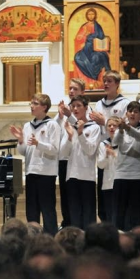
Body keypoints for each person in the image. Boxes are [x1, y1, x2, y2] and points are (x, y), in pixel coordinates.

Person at [10, 94, 60, 235]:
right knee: (31, 209)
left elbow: (55, 150)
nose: (31, 106)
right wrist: (20, 141)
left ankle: (51, 237)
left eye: (35, 103)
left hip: (46, 172)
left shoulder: (52, 125)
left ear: (44, 107)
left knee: (47, 208)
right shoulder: (28, 126)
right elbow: (24, 151)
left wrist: (39, 144)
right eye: (31, 103)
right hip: (31, 171)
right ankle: (32, 236)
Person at [90, 71, 129, 222]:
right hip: (103, 147)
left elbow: (124, 125)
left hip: (119, 146)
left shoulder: (124, 103)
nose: (106, 84)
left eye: (110, 81)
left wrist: (104, 121)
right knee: (104, 184)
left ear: (117, 84)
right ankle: (105, 218)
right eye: (104, 81)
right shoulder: (99, 103)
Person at [112, 101, 140, 231]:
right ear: (126, 113)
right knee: (119, 213)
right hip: (121, 175)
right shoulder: (122, 128)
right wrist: (122, 129)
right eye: (130, 111)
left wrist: (127, 128)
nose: (132, 114)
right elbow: (115, 142)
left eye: (136, 112)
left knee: (136, 215)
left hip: (138, 176)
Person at [64, 95, 100, 230]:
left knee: (88, 214)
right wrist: (69, 137)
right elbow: (63, 153)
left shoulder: (94, 128)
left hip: (87, 176)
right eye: (73, 106)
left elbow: (90, 150)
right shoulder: (69, 127)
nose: (75, 109)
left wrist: (80, 134)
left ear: (86, 108)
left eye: (79, 106)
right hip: (72, 175)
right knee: (74, 214)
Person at [55, 78, 85, 228]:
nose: (71, 91)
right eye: (70, 88)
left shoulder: (84, 109)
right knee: (65, 193)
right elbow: (55, 130)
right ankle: (67, 221)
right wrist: (60, 115)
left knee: (77, 193)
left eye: (75, 89)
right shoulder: (64, 108)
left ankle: (78, 223)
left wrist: (70, 114)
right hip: (63, 156)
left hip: (78, 157)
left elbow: (82, 127)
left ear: (82, 92)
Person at [73, 7, 112, 88]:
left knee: (98, 57)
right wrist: (85, 36)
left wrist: (106, 39)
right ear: (87, 16)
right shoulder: (84, 26)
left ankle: (95, 78)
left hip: (97, 48)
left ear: (95, 15)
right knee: (77, 58)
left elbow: (102, 37)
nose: (91, 16)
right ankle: (88, 80)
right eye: (89, 14)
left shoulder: (98, 26)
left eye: (92, 14)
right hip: (86, 48)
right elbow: (78, 38)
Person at [96, 117, 119, 223]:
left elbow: (125, 162)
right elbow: (100, 165)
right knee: (109, 213)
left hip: (121, 181)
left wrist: (113, 154)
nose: (111, 127)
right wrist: (106, 155)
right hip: (108, 183)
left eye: (114, 125)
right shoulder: (103, 144)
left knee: (119, 213)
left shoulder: (124, 142)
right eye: (109, 125)